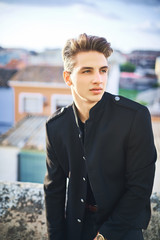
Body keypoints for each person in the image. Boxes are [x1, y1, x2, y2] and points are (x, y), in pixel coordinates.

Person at [44, 33, 157, 240]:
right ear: (68, 78)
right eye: (87, 71)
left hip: (123, 230)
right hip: (75, 230)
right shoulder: (55, 126)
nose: (98, 79)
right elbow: (54, 192)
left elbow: (140, 188)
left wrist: (106, 235)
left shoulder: (135, 117)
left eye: (103, 70)